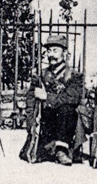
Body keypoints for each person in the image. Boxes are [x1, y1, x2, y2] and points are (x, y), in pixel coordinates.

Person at [29, 35, 84, 165]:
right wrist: (30, 121)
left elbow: (71, 98)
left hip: (65, 121)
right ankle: (47, 149)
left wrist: (47, 97)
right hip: (46, 120)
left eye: (55, 51)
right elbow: (30, 98)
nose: (51, 55)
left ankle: (62, 150)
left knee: (66, 109)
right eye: (49, 51)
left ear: (64, 53)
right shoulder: (41, 74)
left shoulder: (74, 76)